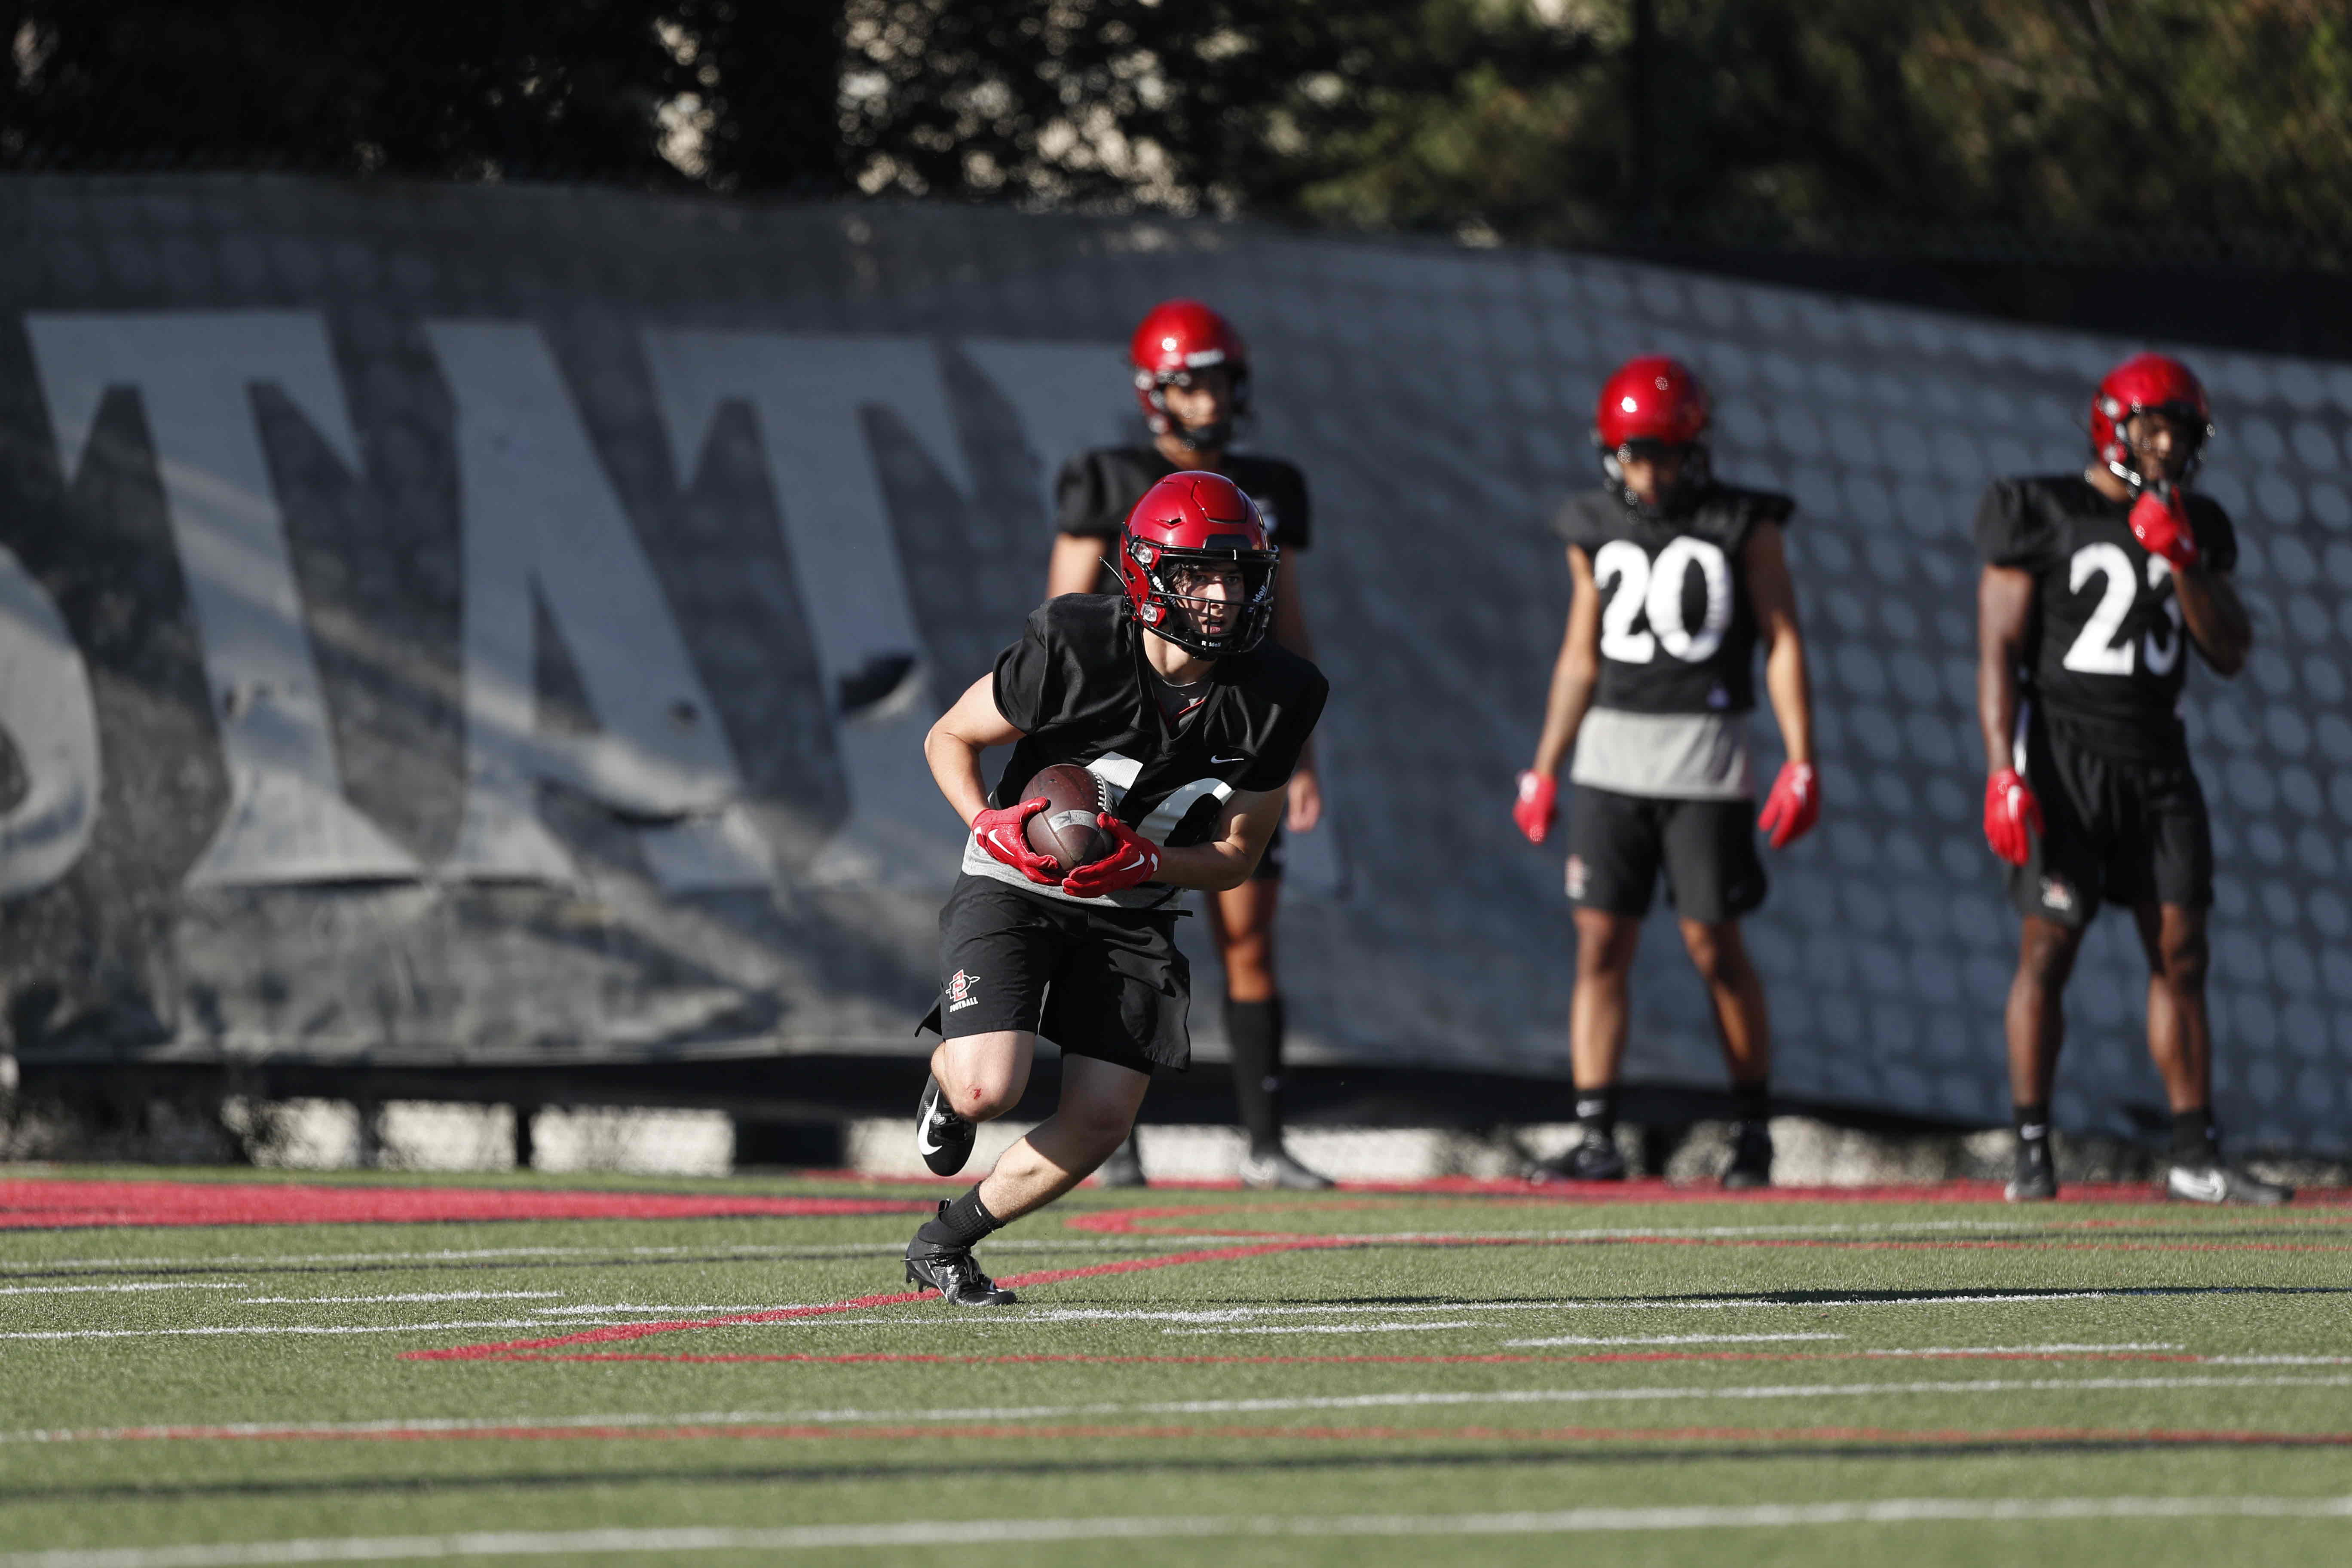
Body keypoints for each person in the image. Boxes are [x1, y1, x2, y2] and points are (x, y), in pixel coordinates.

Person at [905, 470, 1329, 1305]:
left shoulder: (1281, 694)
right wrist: (984, 823)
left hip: (1131, 898)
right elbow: (949, 735)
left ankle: (945, 1243)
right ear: (1146, 575)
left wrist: (1151, 863)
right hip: (1017, 877)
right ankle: (951, 1080)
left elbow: (1239, 854)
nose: (1221, 593)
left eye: (1237, 573)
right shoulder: (1077, 643)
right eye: (1199, 573)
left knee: (1102, 1121)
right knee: (990, 1086)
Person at [1975, 352, 2289, 1205]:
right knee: (2049, 951)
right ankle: (2031, 1149)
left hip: (2159, 766)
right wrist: (2003, 770)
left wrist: (2184, 556)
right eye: (2153, 428)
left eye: (2180, 433)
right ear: (2113, 427)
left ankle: (2194, 1152)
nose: (2166, 447)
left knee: (2182, 955)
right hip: (2067, 763)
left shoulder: (2200, 520)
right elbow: (1999, 651)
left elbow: (2228, 650)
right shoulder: (2039, 509)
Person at [1044, 297, 1332, 1190]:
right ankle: (1110, 1139)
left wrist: (1304, 752)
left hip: (1236, 728)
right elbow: (1071, 622)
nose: (1212, 400)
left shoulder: (1270, 485)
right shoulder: (1107, 476)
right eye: (1193, 383)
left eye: (1221, 381)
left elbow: (1288, 623)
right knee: (1113, 931)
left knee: (1249, 932)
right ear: (1156, 392)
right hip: (1132, 735)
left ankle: (1265, 1142)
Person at [1511, 355, 1819, 1188]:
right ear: (1613, 453)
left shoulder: (1744, 524)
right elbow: (1581, 655)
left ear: (1699, 448)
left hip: (1706, 758)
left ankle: (1753, 1130)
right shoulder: (1593, 525)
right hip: (1611, 758)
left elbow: (1782, 638)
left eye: (1670, 453)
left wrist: (1800, 756)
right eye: (1640, 453)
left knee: (1713, 945)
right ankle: (1595, 1132)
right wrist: (1544, 766)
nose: (1655, 472)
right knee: (1601, 943)